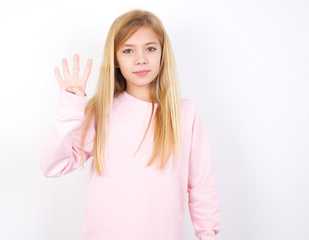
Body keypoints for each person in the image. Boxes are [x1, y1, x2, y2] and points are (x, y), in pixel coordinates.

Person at [40, 9, 222, 240]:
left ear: (162, 53)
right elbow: (53, 166)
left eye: (150, 48)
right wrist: (70, 108)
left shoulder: (185, 114)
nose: (141, 59)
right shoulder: (102, 111)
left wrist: (207, 234)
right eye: (128, 50)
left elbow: (202, 185)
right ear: (115, 60)